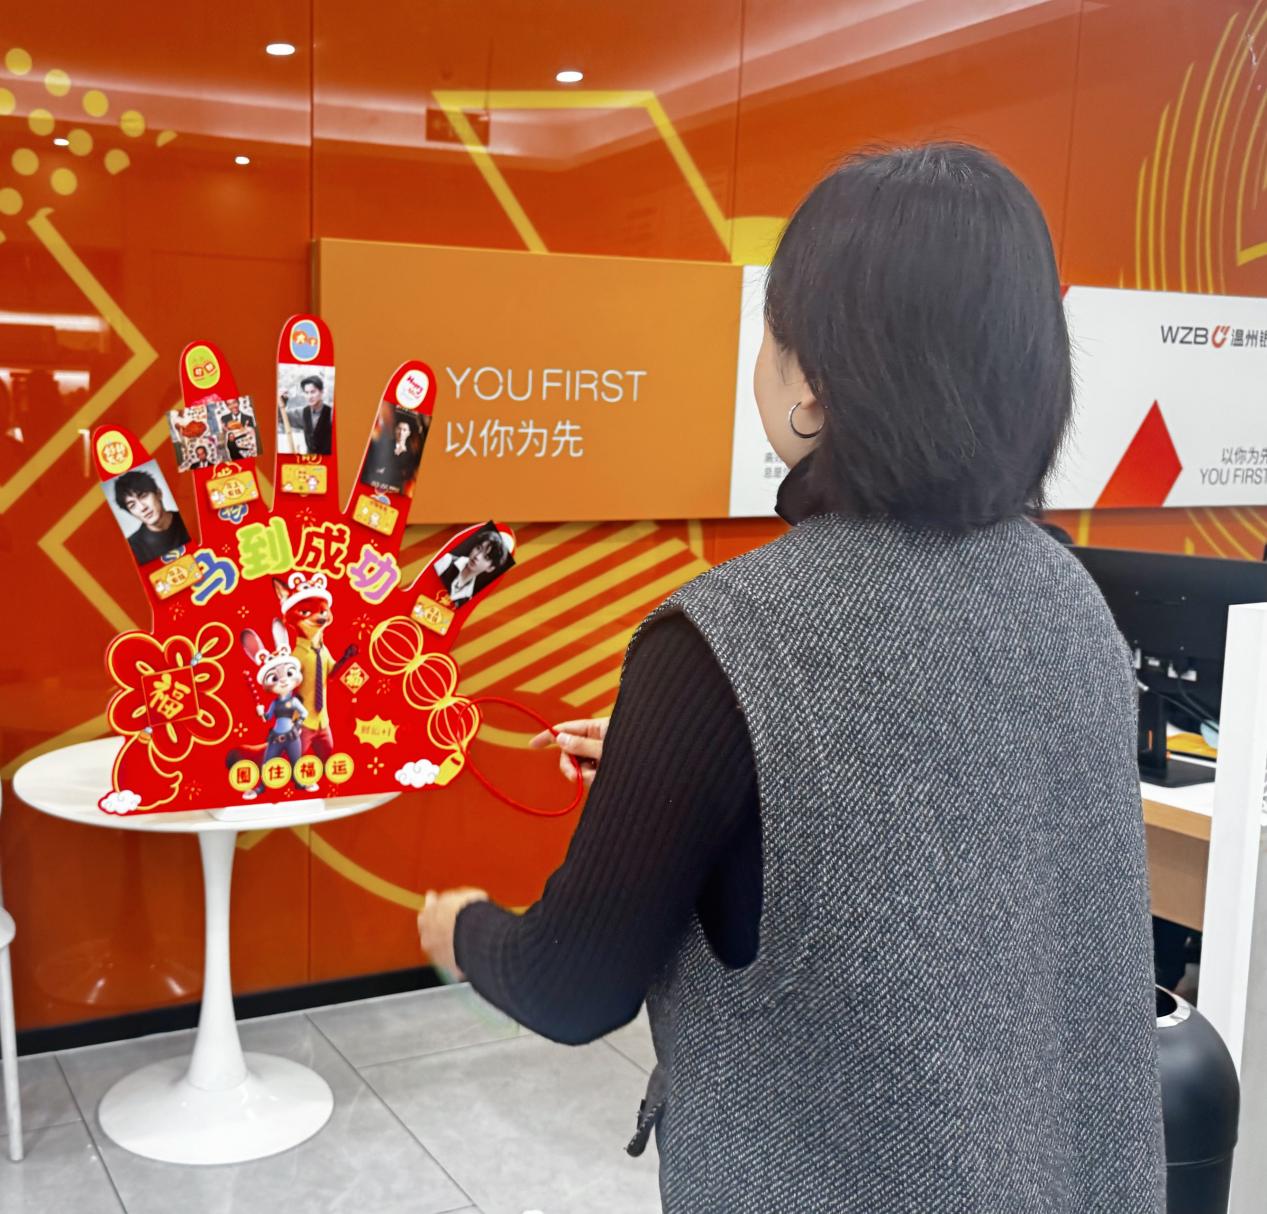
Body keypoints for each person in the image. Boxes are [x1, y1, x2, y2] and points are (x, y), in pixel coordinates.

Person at [418, 144, 1165, 1212]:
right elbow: (934, 820)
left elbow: (570, 983)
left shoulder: (723, 642)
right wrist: (694, 772)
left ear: (812, 375)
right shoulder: (1073, 604)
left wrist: (459, 930)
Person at [113, 468, 191, 564]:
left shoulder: (190, 517)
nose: (142, 508)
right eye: (132, 505)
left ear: (158, 493)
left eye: (143, 496)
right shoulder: (133, 548)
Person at [433, 529, 509, 606]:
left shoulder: (468, 597)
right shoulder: (447, 561)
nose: (477, 556)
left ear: (490, 568)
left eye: (486, 557)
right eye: (479, 548)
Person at [293, 375, 331, 455]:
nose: (309, 396)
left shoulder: (331, 414)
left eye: (313, 392)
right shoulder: (302, 413)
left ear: (321, 392)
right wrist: (282, 402)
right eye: (306, 393)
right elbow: (279, 415)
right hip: (309, 461)